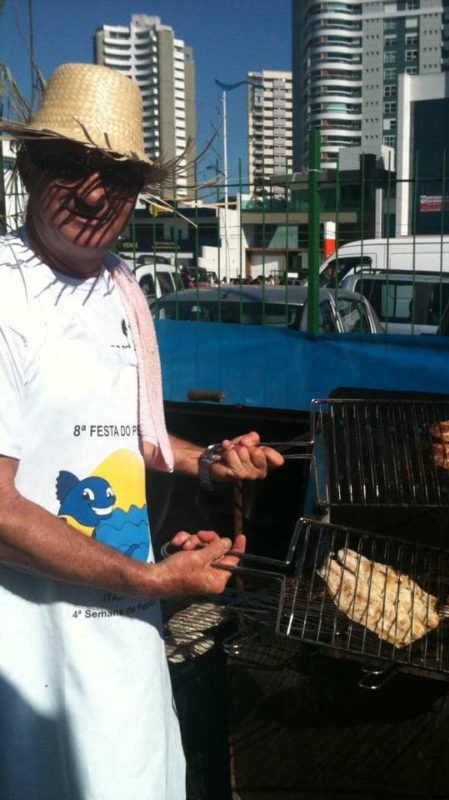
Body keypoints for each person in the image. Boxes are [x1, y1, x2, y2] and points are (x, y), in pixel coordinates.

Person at [0, 63, 284, 800]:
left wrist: (207, 464)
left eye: (119, 175)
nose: (94, 194)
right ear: (29, 165)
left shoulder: (119, 286)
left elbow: (120, 438)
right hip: (31, 663)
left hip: (125, 639)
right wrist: (153, 577)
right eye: (69, 164)